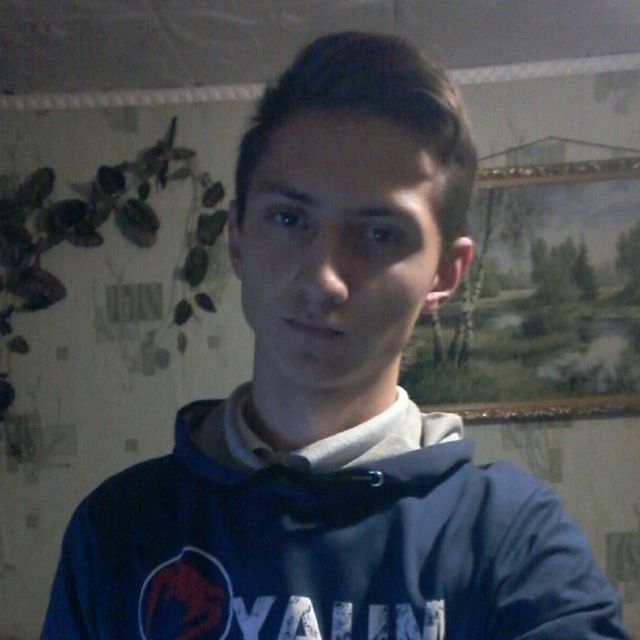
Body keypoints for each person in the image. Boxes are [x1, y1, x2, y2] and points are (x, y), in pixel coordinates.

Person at [42, 32, 629, 640]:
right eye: (289, 218)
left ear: (445, 275)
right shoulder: (117, 530)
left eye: (379, 234)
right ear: (237, 239)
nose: (324, 279)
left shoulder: (513, 541)